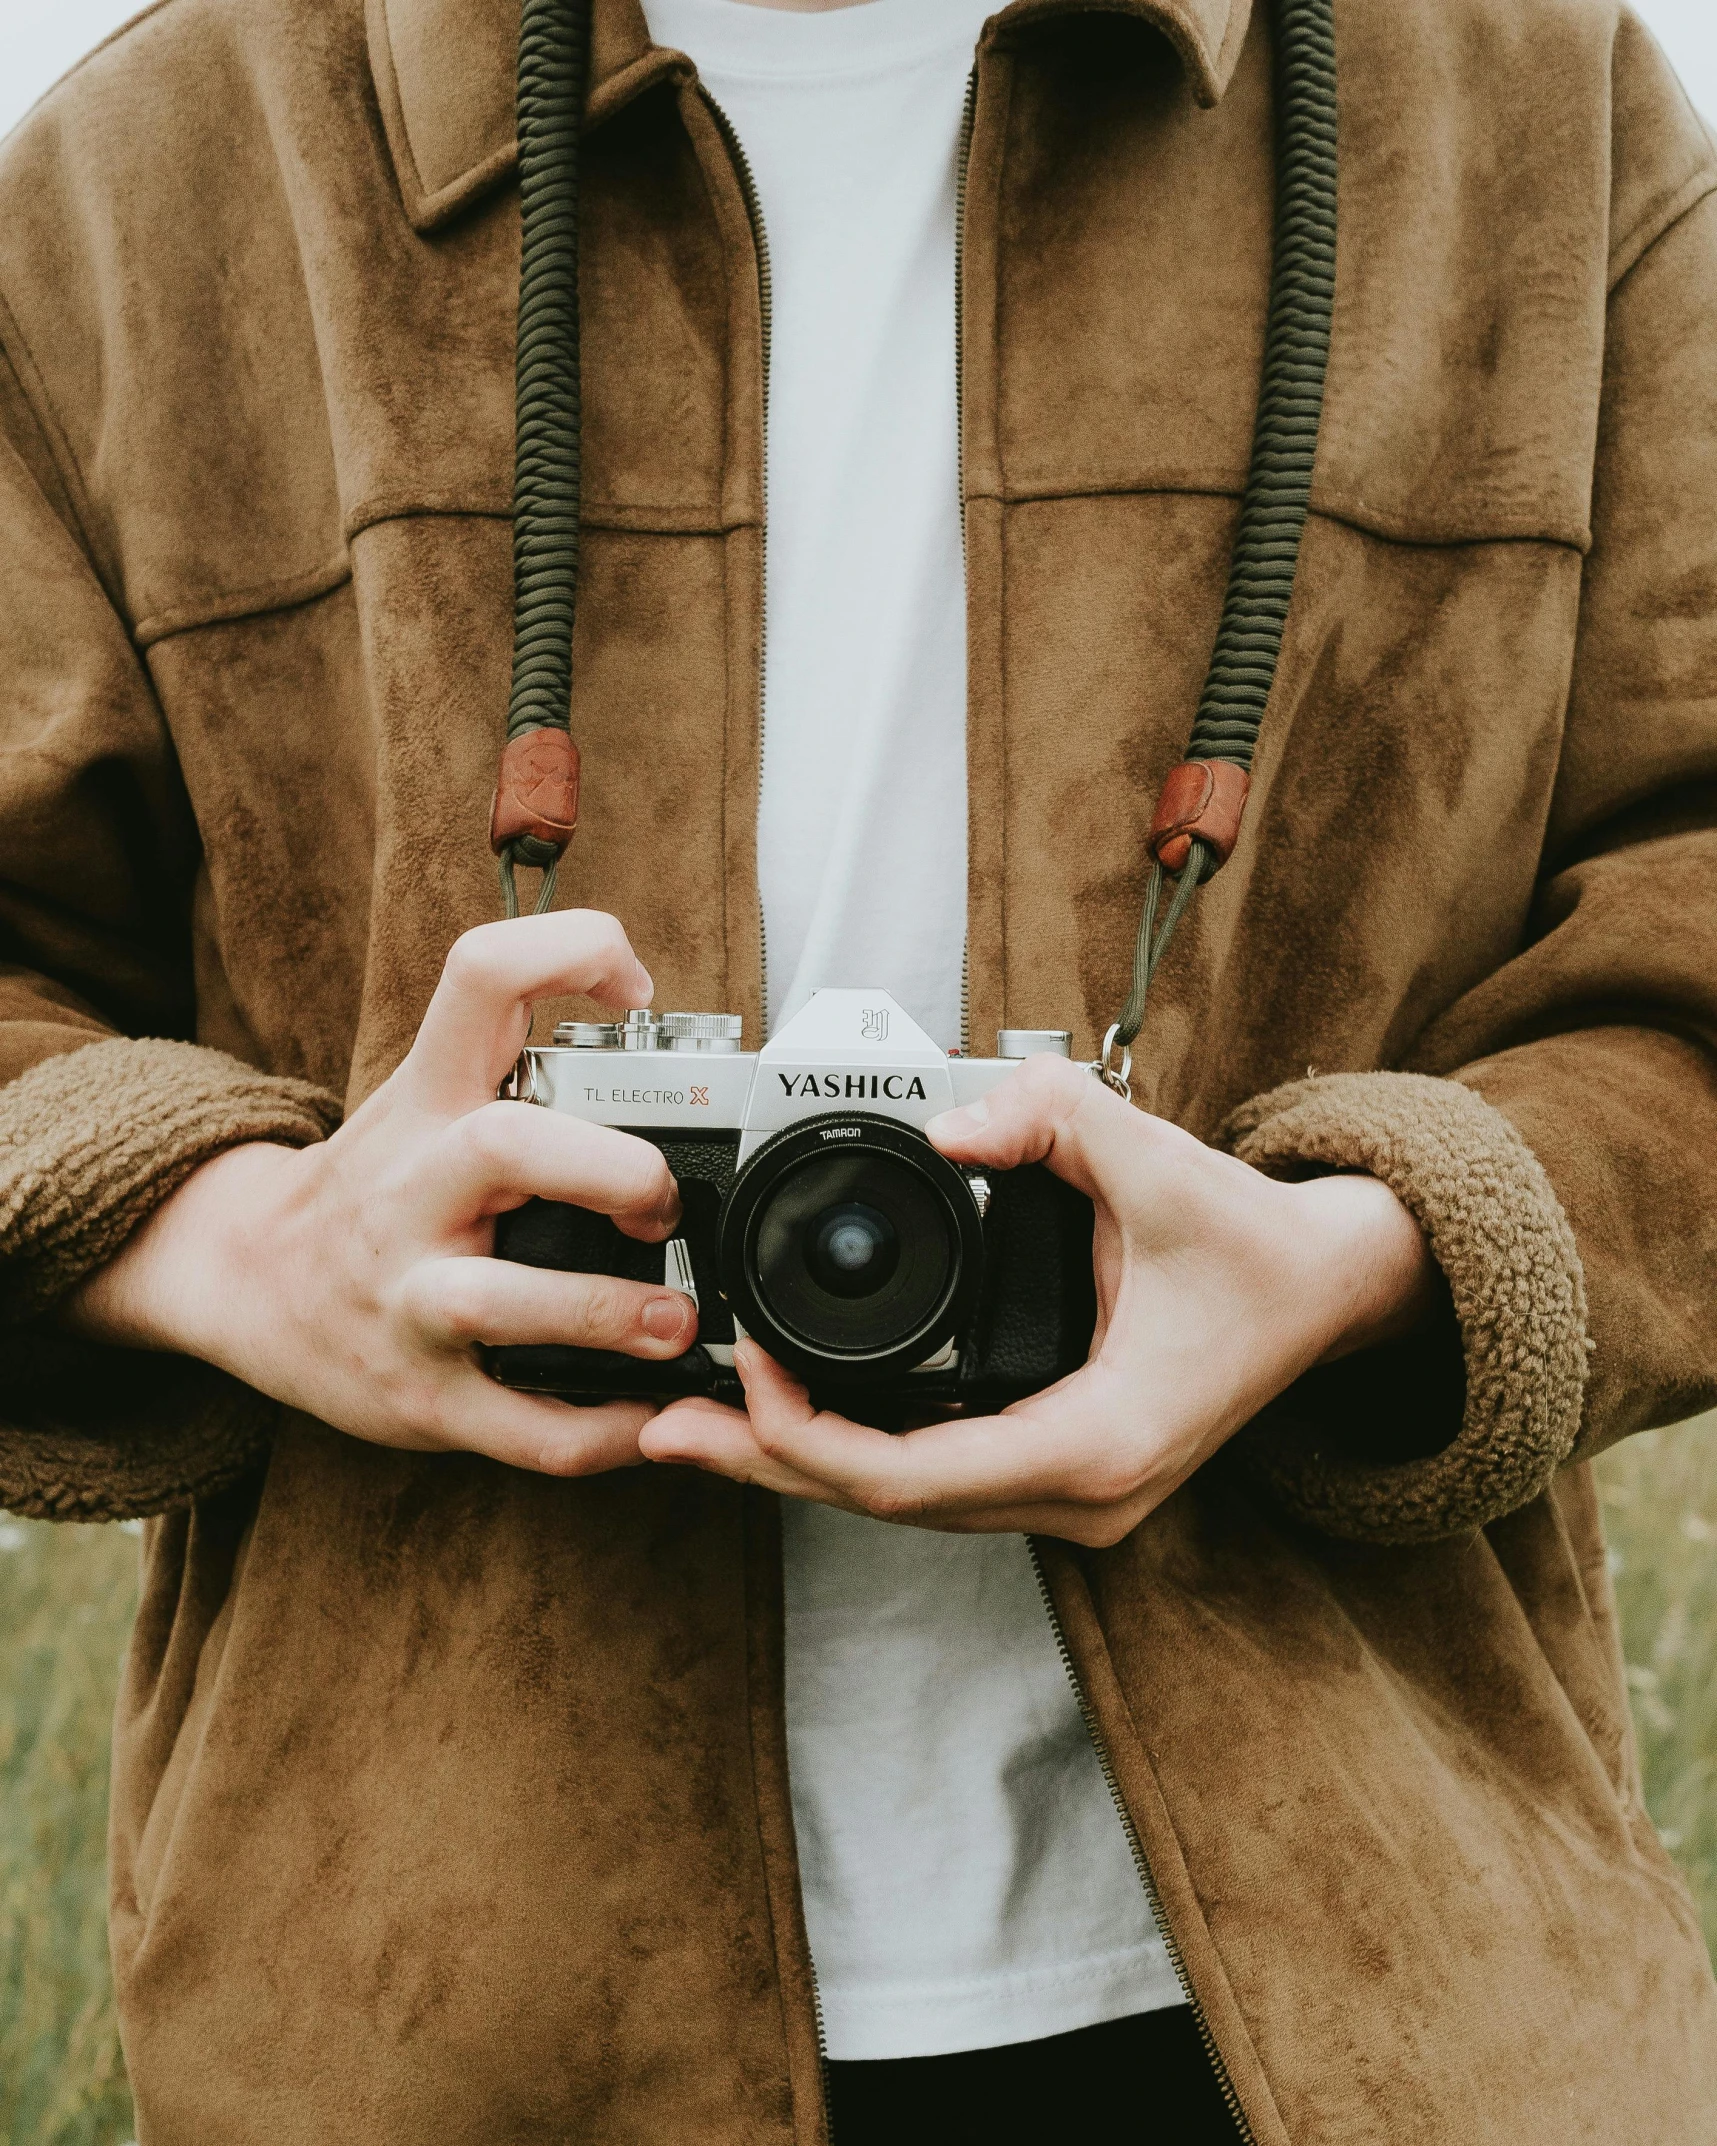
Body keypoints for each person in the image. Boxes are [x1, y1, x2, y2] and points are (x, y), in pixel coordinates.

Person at [1, 0, 1715, 2136]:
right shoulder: (165, 164)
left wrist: (1364, 1253)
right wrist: (245, 1244)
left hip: (1385, 1996)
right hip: (441, 2020)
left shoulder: (1526, 113)